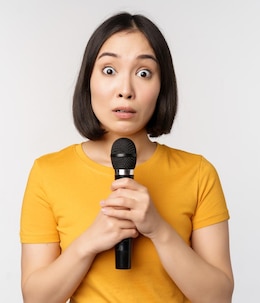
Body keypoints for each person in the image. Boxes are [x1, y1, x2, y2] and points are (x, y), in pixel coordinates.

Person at [19, 12, 233, 302]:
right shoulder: (48, 172)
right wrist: (89, 243)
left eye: (143, 73)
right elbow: (36, 299)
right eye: (109, 70)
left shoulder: (198, 173)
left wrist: (158, 229)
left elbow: (218, 297)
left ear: (162, 86)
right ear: (88, 81)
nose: (125, 90)